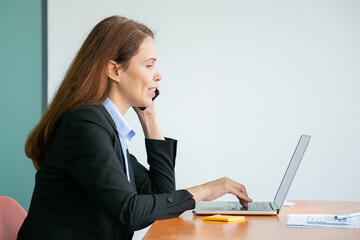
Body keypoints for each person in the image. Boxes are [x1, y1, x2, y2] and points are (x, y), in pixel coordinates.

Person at [17, 16, 252, 240]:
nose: (158, 75)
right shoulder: (83, 126)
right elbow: (130, 212)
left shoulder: (107, 128)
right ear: (114, 71)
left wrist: (150, 120)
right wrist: (204, 191)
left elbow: (161, 196)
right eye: (149, 65)